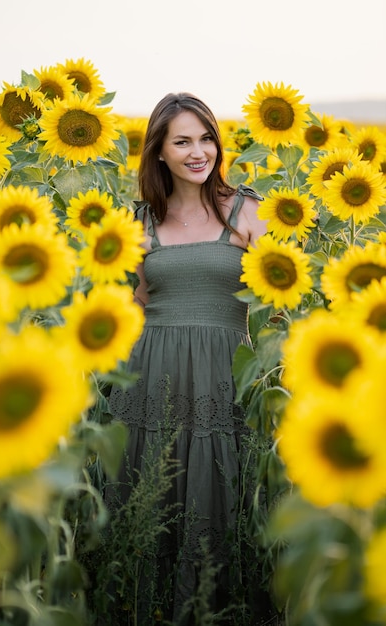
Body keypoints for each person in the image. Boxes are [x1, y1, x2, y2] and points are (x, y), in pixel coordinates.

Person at [103, 93, 273, 625]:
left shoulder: (244, 210)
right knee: (149, 498)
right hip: (151, 378)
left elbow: (277, 301)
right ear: (158, 152)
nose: (198, 152)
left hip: (225, 376)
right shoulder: (139, 221)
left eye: (206, 138)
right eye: (182, 141)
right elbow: (137, 306)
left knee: (222, 497)